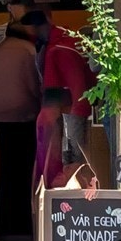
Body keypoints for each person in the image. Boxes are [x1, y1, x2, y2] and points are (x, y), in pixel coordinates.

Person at [0, 20, 40, 241]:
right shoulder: (29, 50)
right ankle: (21, 229)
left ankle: (4, 228)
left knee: (6, 171)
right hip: (22, 115)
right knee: (23, 173)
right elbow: (34, 85)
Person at [37, 12, 94, 169]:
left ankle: (72, 181)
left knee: (69, 156)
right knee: (73, 156)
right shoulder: (61, 46)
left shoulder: (57, 48)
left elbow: (74, 83)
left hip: (64, 106)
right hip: (69, 106)